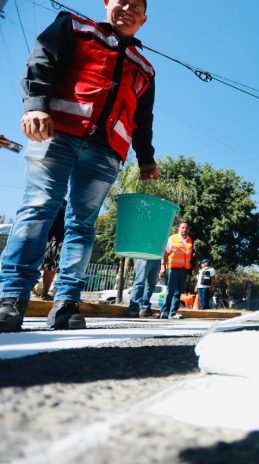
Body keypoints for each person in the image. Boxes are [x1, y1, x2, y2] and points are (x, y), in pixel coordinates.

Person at [0, 0, 158, 333]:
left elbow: (143, 119)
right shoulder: (74, 26)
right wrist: (35, 105)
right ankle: (11, 297)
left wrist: (146, 158)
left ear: (143, 19)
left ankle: (67, 302)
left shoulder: (145, 67)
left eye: (136, 7)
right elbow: (41, 61)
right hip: (56, 133)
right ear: (107, 2)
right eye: (122, 1)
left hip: (106, 151)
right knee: (38, 208)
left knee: (83, 225)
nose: (127, 9)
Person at [161, 222, 194, 319]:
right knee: (170, 291)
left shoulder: (189, 240)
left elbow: (190, 255)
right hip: (173, 268)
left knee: (178, 292)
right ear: (178, 228)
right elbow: (165, 253)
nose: (185, 230)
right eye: (183, 228)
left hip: (184, 269)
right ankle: (164, 312)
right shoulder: (172, 238)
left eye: (186, 228)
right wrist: (163, 267)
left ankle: (173, 313)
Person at [39, 201, 67, 301]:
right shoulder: (46, 201)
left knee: (50, 268)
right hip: (41, 237)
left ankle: (45, 293)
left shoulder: (66, 205)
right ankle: (22, 292)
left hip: (56, 239)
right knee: (32, 265)